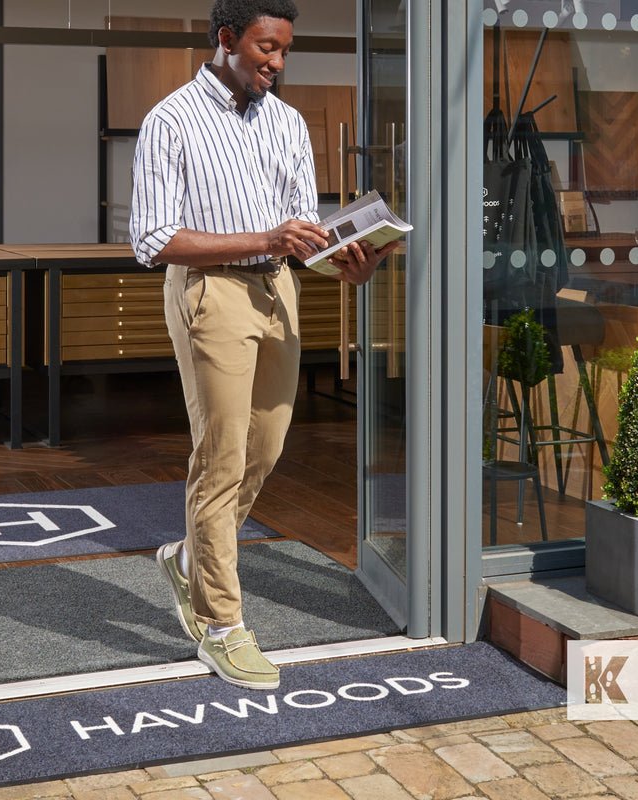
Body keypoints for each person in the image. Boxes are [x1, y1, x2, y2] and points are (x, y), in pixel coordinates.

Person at [129, 0, 397, 690]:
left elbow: (299, 228)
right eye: (265, 49)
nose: (276, 64)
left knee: (266, 447)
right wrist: (265, 239)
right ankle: (222, 626)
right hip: (209, 292)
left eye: (283, 51)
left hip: (279, 289)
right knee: (221, 454)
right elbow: (152, 239)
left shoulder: (286, 121)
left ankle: (191, 560)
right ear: (227, 40)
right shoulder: (171, 120)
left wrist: (345, 257)